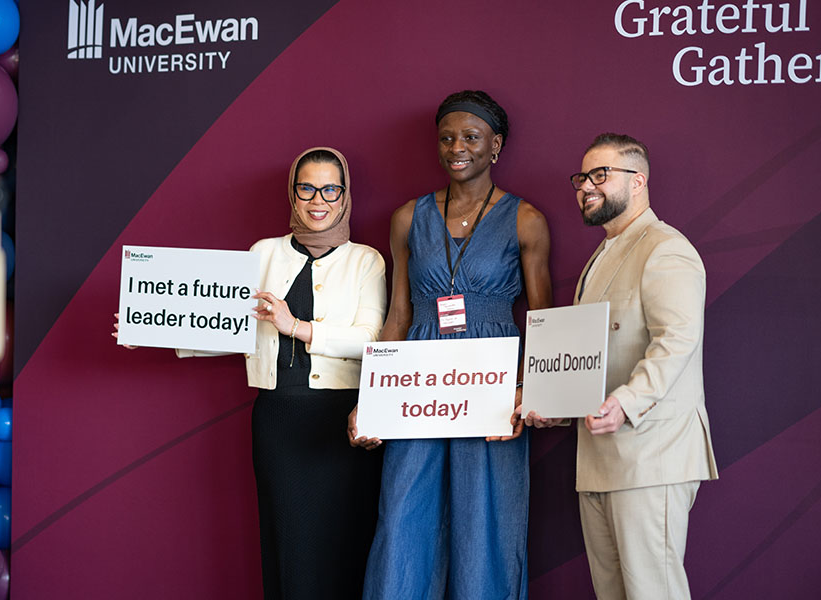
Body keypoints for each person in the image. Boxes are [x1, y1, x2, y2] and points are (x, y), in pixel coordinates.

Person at [115, 147, 387, 599]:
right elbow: (228, 326)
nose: (318, 200)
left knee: (343, 544)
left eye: (330, 189)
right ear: (293, 194)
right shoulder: (264, 253)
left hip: (343, 421)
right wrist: (151, 328)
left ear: (345, 196)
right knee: (287, 545)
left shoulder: (366, 260)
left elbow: (372, 341)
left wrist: (296, 327)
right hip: (278, 421)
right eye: (306, 188)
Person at [349, 90, 552, 599]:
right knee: (403, 517)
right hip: (417, 385)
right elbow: (398, 316)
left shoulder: (525, 218)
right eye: (446, 138)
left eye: (470, 137)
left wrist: (528, 390)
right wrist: (368, 401)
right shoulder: (406, 218)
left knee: (485, 523)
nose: (456, 147)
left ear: (495, 145)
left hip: (493, 391)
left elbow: (544, 319)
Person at [529, 133, 717, 599]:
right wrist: (559, 405)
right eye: (581, 178)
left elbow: (678, 340)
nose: (586, 187)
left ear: (639, 181)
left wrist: (626, 402)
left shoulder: (665, 248)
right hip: (600, 457)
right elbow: (593, 357)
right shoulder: (607, 251)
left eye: (600, 175)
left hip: (651, 455)